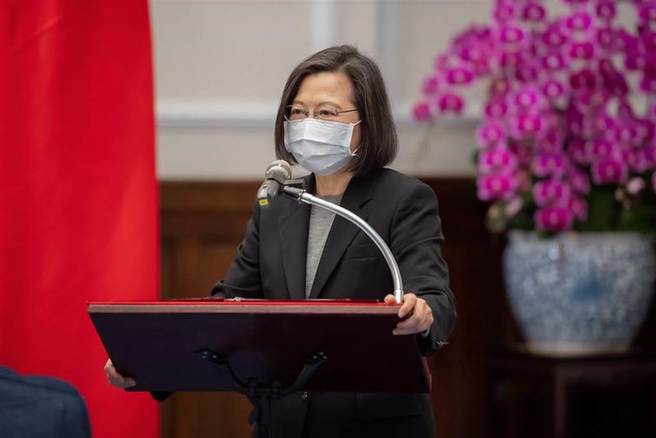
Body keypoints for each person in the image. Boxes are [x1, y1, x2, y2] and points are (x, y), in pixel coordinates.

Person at [106, 45, 457, 438]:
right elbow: (228, 308)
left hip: (373, 425)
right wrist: (149, 366)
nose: (308, 123)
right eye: (298, 111)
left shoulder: (405, 199)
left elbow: (434, 298)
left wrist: (421, 313)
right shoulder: (278, 205)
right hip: (283, 423)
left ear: (367, 123)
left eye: (326, 113)